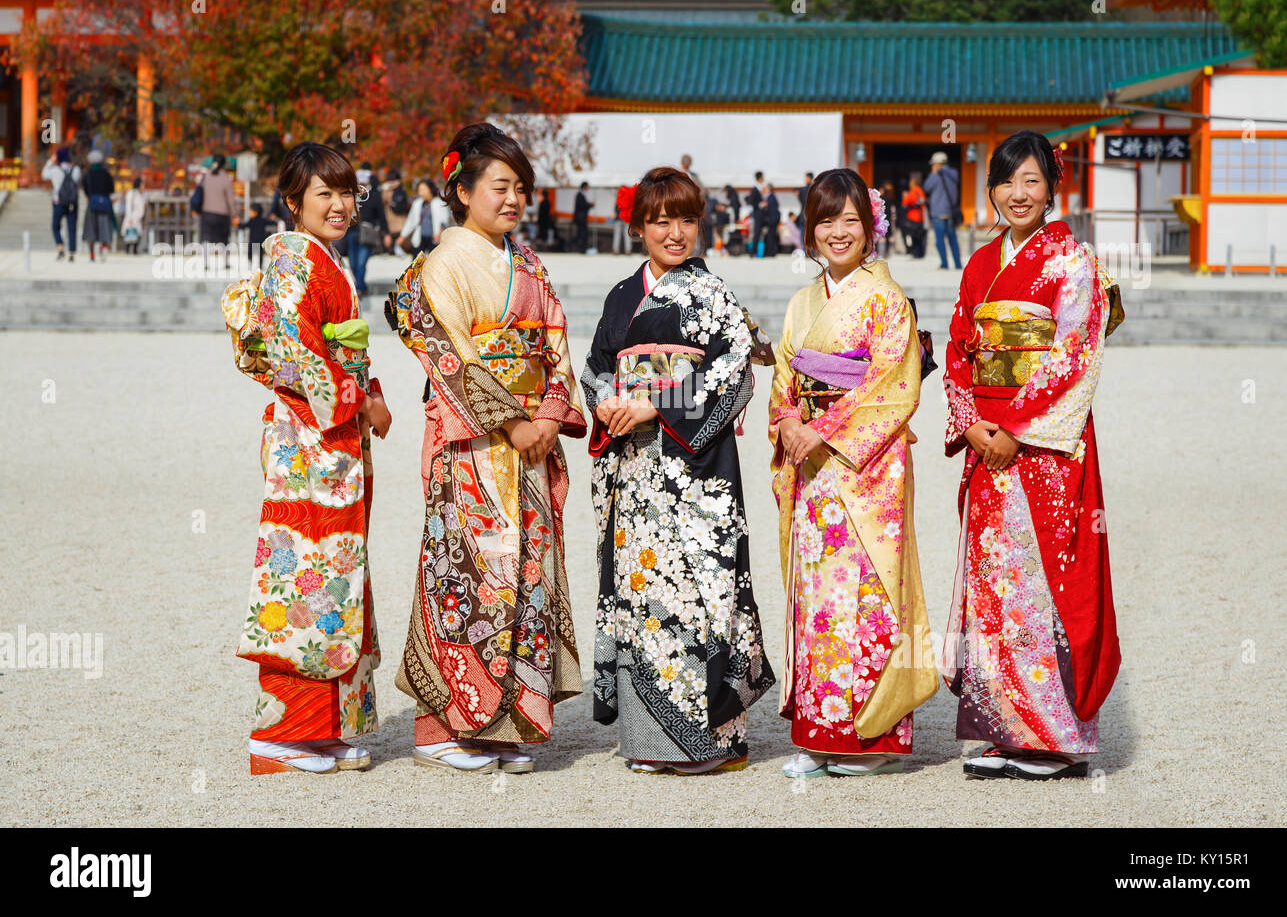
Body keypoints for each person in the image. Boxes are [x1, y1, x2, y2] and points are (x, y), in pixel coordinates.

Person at [386, 122, 587, 774]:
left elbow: (554, 340)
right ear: (463, 190)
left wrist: (552, 412)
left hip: (530, 441)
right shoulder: (444, 263)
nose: (512, 199)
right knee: (470, 577)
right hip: (473, 445)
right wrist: (510, 419)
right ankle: (443, 727)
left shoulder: (528, 263)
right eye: (500, 186)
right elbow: (447, 352)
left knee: (524, 578)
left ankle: (507, 723)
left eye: (520, 188)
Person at [940, 130, 1123, 781]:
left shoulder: (1073, 261)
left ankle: (1054, 734)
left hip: (1040, 450)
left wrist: (1015, 427)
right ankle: (1006, 727)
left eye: (1032, 181)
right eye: (1007, 182)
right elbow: (961, 350)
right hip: (988, 444)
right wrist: (973, 422)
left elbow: (1073, 355)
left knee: (1043, 580)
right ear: (989, 190)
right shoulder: (979, 264)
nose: (1019, 194)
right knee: (995, 584)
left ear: (1053, 188)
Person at [581, 165, 775, 774]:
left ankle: (714, 743)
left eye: (686, 219)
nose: (674, 232)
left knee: (701, 595)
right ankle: (647, 743)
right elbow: (596, 368)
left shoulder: (714, 295)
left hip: (696, 472)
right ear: (638, 225)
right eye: (660, 220)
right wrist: (607, 400)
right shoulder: (619, 296)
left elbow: (735, 375)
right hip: (635, 472)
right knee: (641, 597)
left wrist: (656, 403)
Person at [221, 141, 392, 775]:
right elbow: (292, 354)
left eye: (347, 192)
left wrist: (368, 393)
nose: (340, 205)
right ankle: (284, 733)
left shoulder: (326, 261)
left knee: (338, 573)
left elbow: (342, 351)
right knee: (306, 571)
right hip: (309, 441)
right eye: (324, 193)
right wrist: (357, 399)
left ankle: (328, 726)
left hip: (336, 439)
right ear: (293, 203)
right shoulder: (293, 263)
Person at [768, 168, 938, 778]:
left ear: (872, 228)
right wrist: (789, 420)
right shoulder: (802, 302)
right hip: (812, 470)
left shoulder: (887, 299)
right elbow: (785, 379)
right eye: (825, 220)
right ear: (809, 231)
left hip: (868, 470)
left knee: (865, 597)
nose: (838, 232)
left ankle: (869, 737)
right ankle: (820, 735)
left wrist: (824, 428)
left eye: (851, 220)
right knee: (819, 600)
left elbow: (895, 384)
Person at [344, 164, 385, 293]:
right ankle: (361, 286)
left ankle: (359, 288)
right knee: (353, 263)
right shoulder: (350, 195)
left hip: (367, 233)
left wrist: (386, 233)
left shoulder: (374, 195)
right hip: (352, 231)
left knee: (361, 263)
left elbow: (381, 215)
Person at [199, 153, 240, 268]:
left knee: (206, 238)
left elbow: (199, 193)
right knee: (223, 239)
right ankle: (225, 262)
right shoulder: (225, 178)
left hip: (206, 212)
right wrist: (234, 213)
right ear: (223, 164)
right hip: (222, 214)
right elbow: (230, 199)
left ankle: (206, 263)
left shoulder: (205, 176)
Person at [924, 151, 963, 269]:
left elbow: (926, 187)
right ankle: (957, 264)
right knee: (953, 239)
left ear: (938, 164)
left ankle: (944, 264)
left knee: (940, 240)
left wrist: (933, 173)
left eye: (933, 164)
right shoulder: (954, 174)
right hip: (950, 212)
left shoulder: (936, 175)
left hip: (938, 212)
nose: (932, 166)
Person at [43, 148, 81, 262]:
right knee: (72, 227)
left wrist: (50, 161)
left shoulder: (55, 170)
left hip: (58, 202)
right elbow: (78, 183)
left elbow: (44, 175)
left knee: (55, 226)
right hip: (72, 202)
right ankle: (72, 253)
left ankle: (60, 249)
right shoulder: (76, 170)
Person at [81, 150, 116, 262]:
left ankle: (92, 255)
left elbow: (86, 190)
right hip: (105, 205)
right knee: (104, 227)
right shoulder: (106, 174)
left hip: (92, 204)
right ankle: (103, 248)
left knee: (91, 229)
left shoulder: (88, 174)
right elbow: (111, 189)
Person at [397, 178, 444, 256]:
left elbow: (444, 221)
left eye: (423, 189)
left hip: (434, 240)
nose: (420, 192)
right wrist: (403, 236)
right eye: (419, 190)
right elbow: (410, 221)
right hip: (419, 238)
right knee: (416, 264)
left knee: (432, 264)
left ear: (430, 189)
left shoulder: (439, 203)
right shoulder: (417, 203)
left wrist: (439, 233)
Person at [901, 173, 927, 259]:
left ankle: (916, 253)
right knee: (919, 237)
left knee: (914, 237)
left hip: (913, 217)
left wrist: (904, 196)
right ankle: (920, 253)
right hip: (920, 217)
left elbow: (905, 203)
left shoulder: (913, 191)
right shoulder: (920, 190)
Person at [243, 203, 275, 269]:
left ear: (255, 212)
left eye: (250, 211)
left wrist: (238, 224)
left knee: (250, 252)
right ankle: (260, 265)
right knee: (260, 254)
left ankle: (251, 263)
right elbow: (271, 222)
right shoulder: (262, 220)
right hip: (261, 240)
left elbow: (244, 225)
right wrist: (274, 221)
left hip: (253, 240)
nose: (249, 213)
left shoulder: (251, 220)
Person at [120, 177, 147, 255]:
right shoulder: (131, 193)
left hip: (138, 217)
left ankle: (135, 249)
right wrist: (130, 217)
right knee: (129, 232)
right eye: (142, 184)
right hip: (131, 217)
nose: (143, 186)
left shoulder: (142, 194)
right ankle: (127, 249)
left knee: (137, 233)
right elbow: (128, 206)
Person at [746, 172, 765, 256]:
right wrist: (760, 204)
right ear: (760, 178)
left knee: (757, 233)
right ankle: (753, 252)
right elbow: (751, 202)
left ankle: (754, 252)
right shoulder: (755, 189)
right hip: (757, 214)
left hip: (758, 214)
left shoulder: (759, 189)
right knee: (756, 233)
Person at [611, 185, 633, 255]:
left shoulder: (618, 197)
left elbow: (615, 208)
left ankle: (616, 250)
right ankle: (628, 250)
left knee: (617, 234)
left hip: (618, 218)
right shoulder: (628, 198)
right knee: (627, 235)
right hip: (625, 218)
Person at [762, 183, 781, 257]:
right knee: (771, 236)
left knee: (770, 236)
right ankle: (771, 251)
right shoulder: (772, 197)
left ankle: (771, 252)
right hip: (773, 219)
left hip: (772, 220)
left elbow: (771, 210)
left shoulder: (771, 197)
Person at [573, 180, 592, 253]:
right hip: (580, 219)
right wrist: (589, 205)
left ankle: (582, 248)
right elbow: (581, 206)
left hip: (582, 218)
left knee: (582, 234)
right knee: (581, 234)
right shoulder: (579, 195)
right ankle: (579, 248)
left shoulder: (582, 194)